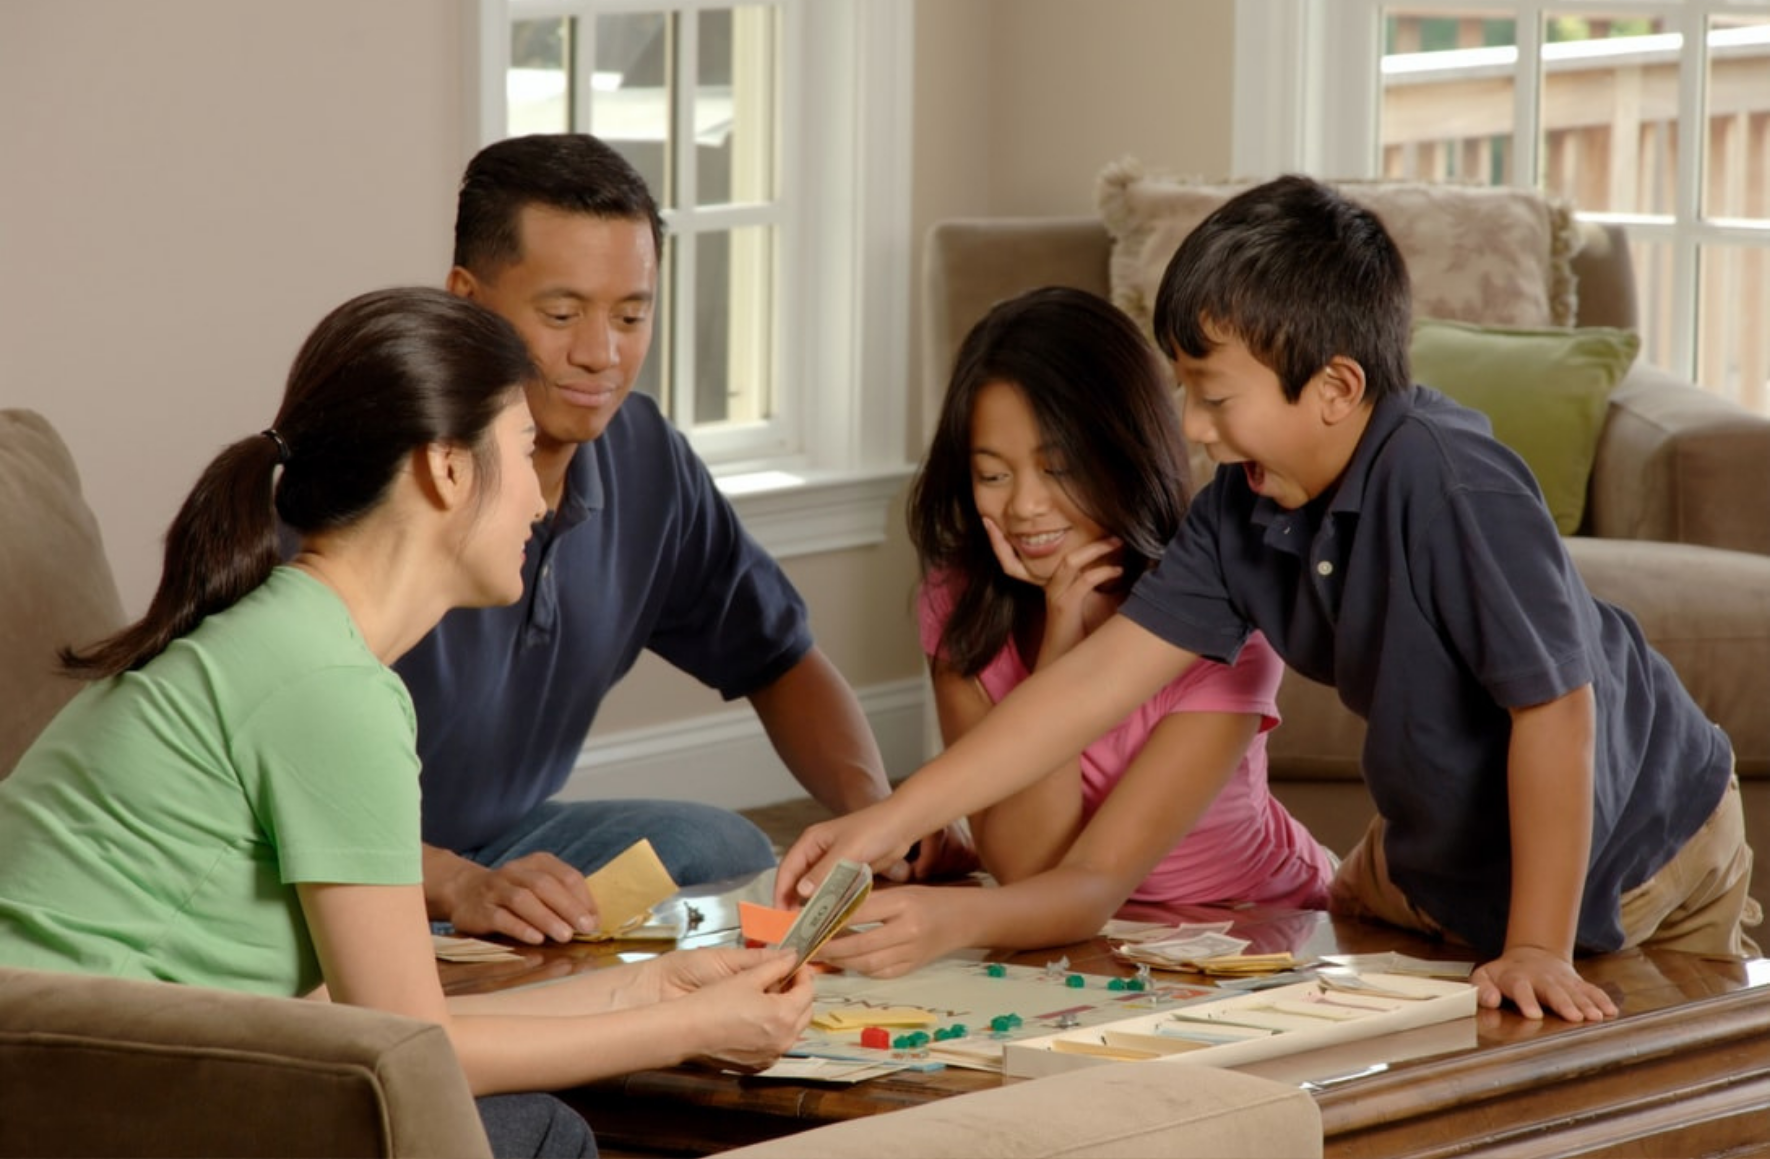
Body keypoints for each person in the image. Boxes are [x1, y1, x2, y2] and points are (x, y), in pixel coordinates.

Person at [778, 175, 1759, 1024]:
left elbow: (1555, 709)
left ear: (1334, 387)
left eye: (1214, 396)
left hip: (1637, 837)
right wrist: (887, 820)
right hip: (1442, 853)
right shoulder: (1239, 515)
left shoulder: (1451, 480)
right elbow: (1083, 693)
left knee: (1618, 1071)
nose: (1195, 431)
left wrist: (1539, 943)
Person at [0, 288, 815, 1159]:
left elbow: (370, 1017)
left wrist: (660, 991)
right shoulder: (328, 687)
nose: (542, 504)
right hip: (76, 1108)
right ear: (448, 469)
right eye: (526, 450)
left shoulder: (284, 638)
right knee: (537, 1132)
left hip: (82, 1081)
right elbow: (410, 1050)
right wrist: (688, 1031)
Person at [397, 133, 974, 947]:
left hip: (503, 840)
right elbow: (264, 795)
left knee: (720, 846)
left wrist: (871, 816)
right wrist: (455, 884)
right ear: (466, 300)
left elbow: (779, 657)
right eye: (561, 315)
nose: (601, 354)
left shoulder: (643, 455)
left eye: (632, 315)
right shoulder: (381, 477)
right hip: (341, 868)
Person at [815, 287, 1334, 979]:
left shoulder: (1224, 616)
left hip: (1251, 924)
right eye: (993, 474)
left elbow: (1090, 880)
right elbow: (1026, 864)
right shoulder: (962, 603)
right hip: (1076, 937)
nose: (1025, 506)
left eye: (1058, 469)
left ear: (1125, 451)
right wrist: (1061, 637)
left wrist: (950, 916)